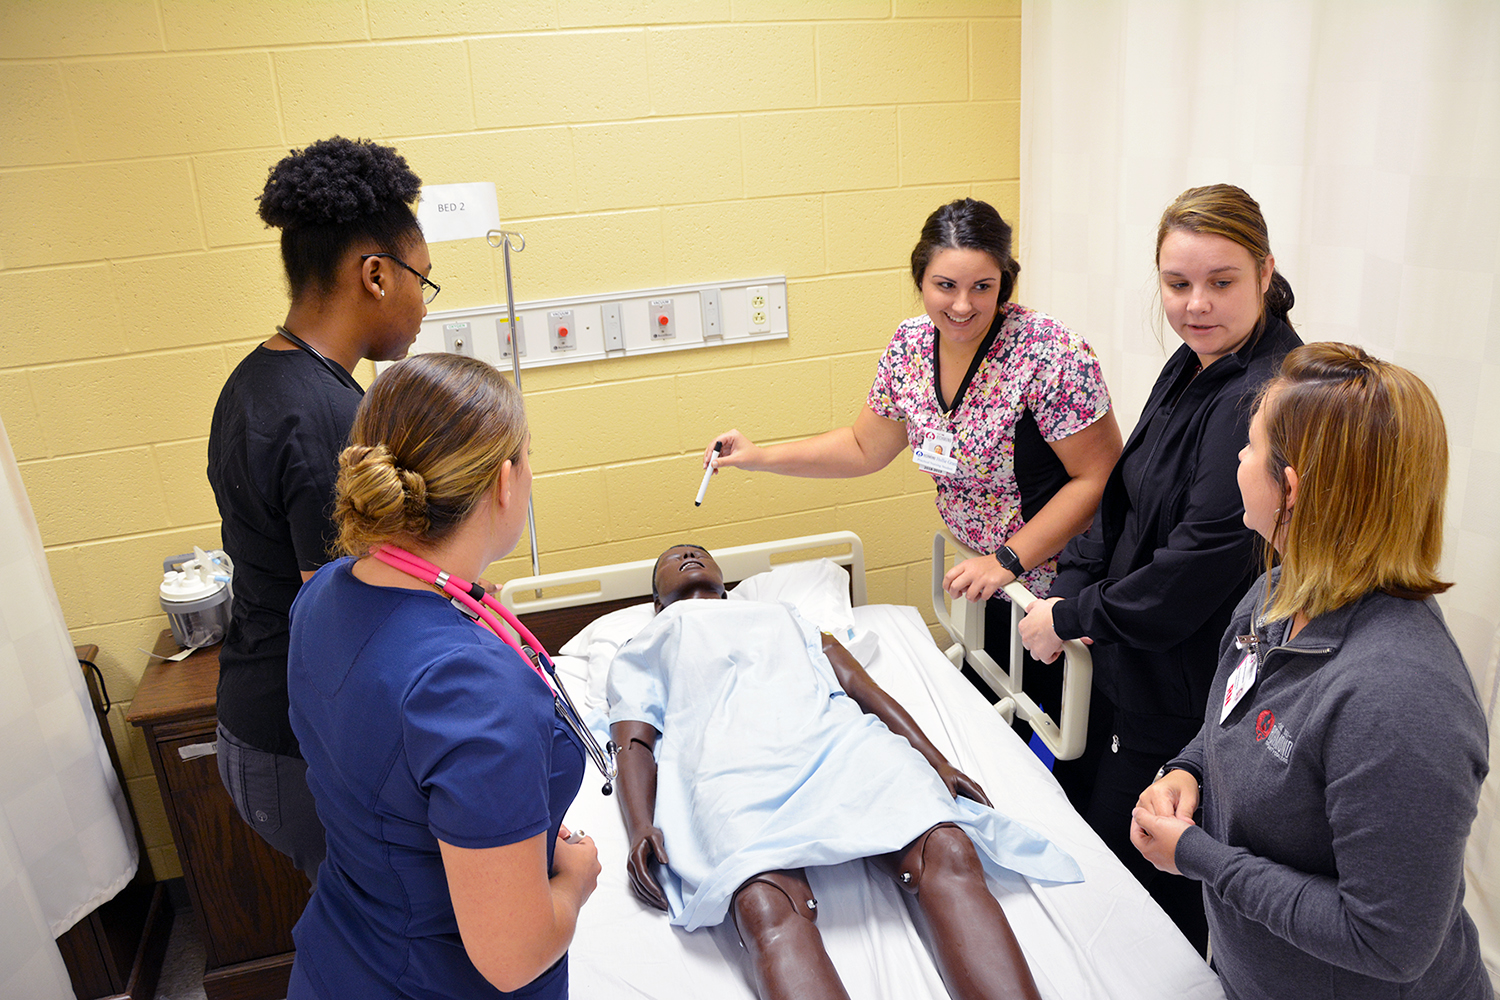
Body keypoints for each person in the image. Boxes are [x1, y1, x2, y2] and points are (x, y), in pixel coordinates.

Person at [1131, 343, 1489, 1000]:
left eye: (1248, 448)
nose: (1237, 461)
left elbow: (1389, 942)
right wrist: (1191, 769)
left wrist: (1196, 855)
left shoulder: (1399, 701)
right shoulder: (1274, 594)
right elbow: (1233, 718)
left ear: (1288, 488)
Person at [705, 198, 1121, 739]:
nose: (963, 306)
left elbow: (1100, 478)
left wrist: (1008, 559)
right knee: (994, 732)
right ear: (920, 279)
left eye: (983, 287)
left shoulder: (1050, 354)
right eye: (945, 285)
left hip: (1061, 588)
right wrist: (759, 457)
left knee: (1060, 747)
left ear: (1005, 282)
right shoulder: (909, 346)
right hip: (986, 582)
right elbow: (863, 447)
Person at [1017, 184, 1302, 951]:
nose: (1196, 304)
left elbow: (1200, 565)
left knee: (1141, 905)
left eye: (1221, 282)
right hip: (1127, 661)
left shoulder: (1266, 393)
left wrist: (1073, 616)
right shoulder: (1195, 363)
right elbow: (1124, 492)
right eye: (1178, 285)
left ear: (1266, 272)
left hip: (1182, 695)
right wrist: (1073, 585)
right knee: (1090, 854)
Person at [608, 544, 1084, 1000]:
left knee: (948, 848)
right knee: (763, 905)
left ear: (726, 585)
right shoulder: (646, 642)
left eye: (698, 552)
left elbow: (860, 685)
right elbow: (633, 742)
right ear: (655, 602)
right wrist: (640, 826)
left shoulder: (785, 614)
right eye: (672, 559)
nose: (687, 555)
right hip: (725, 768)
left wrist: (933, 757)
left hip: (832, 740)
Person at [285, 354, 600, 998]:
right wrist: (573, 879)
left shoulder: (325, 596)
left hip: (343, 955)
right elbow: (512, 959)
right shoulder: (475, 693)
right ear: (505, 482)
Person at [206, 136, 437, 882]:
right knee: (387, 939)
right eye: (422, 282)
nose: (423, 306)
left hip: (256, 719)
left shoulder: (256, 379)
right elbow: (344, 619)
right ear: (375, 275)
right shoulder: (329, 419)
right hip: (296, 750)